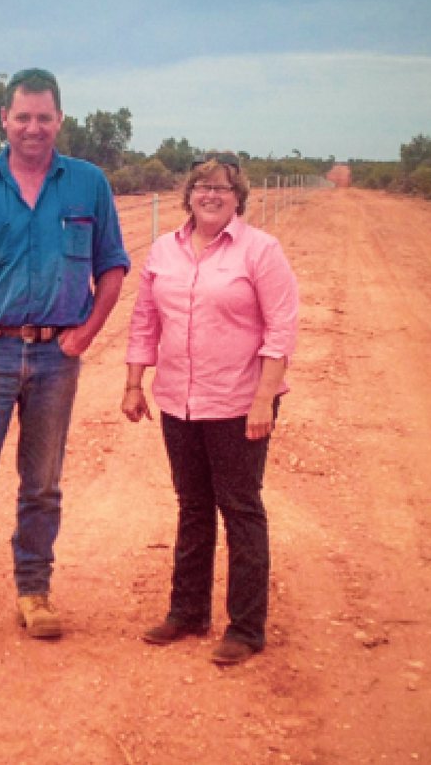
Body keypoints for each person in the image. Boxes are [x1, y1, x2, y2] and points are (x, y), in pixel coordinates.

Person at [0, 68, 130, 654]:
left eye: (44, 117)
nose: (33, 127)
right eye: (23, 117)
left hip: (57, 357)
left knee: (42, 484)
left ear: (60, 120)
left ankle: (34, 593)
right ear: (4, 120)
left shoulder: (88, 184)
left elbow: (112, 265)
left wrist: (87, 333)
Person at [122, 152, 298, 666]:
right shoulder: (163, 251)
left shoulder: (261, 252)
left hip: (240, 403)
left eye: (222, 187)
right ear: (189, 194)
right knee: (193, 506)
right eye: (202, 185)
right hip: (179, 399)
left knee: (240, 509)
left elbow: (280, 329)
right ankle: (187, 612)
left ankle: (245, 628)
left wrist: (264, 398)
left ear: (238, 196)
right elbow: (144, 321)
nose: (212, 194)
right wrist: (134, 383)